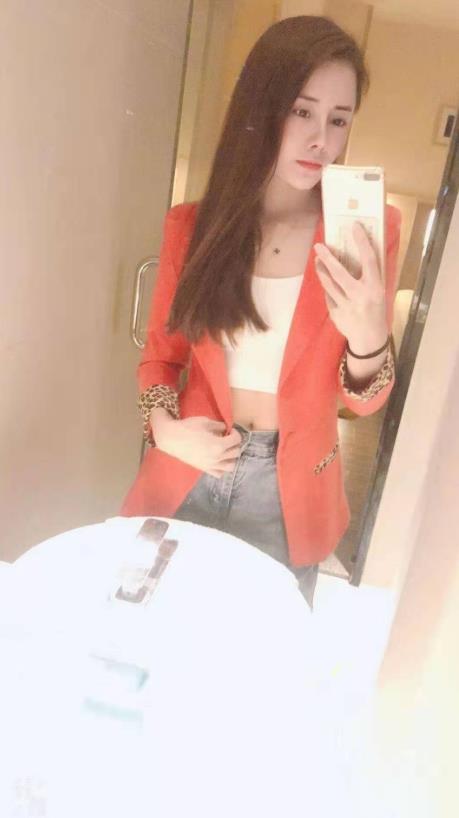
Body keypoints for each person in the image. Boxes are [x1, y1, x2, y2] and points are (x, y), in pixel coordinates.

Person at [121, 16, 401, 611]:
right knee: (147, 631)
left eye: (339, 119)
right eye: (301, 111)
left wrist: (369, 338)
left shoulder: (363, 233)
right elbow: (162, 359)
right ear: (260, 108)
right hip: (188, 468)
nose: (321, 139)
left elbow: (363, 402)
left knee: (259, 650)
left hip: (289, 494)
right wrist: (165, 430)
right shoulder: (193, 228)